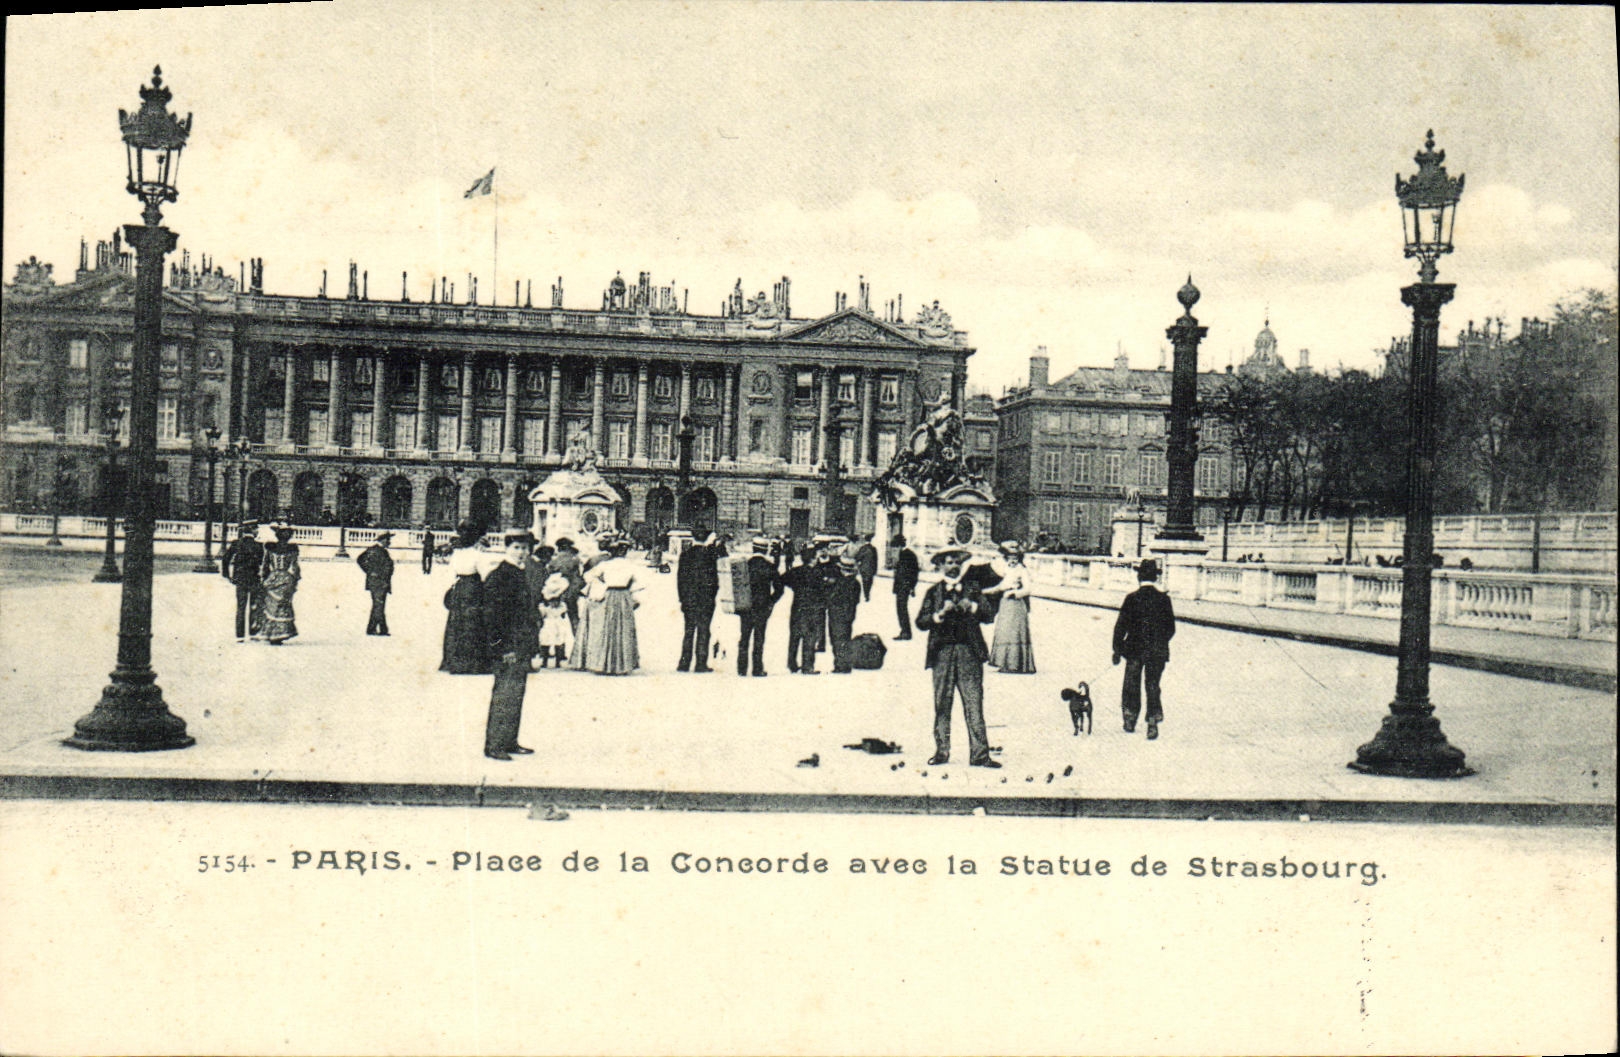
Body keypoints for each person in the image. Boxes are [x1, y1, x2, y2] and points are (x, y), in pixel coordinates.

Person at [915, 548, 998, 768]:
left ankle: (980, 755)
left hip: (968, 652)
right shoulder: (934, 592)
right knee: (942, 704)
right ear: (940, 566)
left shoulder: (972, 589)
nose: (953, 566)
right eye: (949, 562)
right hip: (942, 653)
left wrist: (973, 606)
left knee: (974, 704)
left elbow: (989, 615)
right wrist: (938, 615)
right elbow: (920, 622)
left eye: (957, 563)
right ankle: (942, 752)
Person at [481, 530, 537, 761]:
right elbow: (494, 617)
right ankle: (495, 745)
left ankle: (509, 740)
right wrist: (504, 648)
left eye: (525, 548)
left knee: (515, 693)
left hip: (520, 644)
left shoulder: (519, 573)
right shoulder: (501, 575)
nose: (522, 552)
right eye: (517, 548)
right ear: (507, 548)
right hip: (508, 646)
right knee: (505, 694)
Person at [1111, 558, 1176, 740]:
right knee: (1153, 685)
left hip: (1134, 650)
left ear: (1139, 577)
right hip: (1157, 652)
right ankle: (1153, 721)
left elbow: (1120, 627)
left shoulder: (1131, 598)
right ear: (1155, 577)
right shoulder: (1164, 599)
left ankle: (1130, 719)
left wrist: (1117, 649)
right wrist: (1160, 642)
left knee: (1131, 684)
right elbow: (1171, 628)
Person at [584, 534, 641, 675]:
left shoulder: (605, 565)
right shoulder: (631, 565)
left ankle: (605, 663)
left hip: (609, 594)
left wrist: (603, 581)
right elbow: (642, 583)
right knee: (624, 628)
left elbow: (588, 576)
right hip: (624, 595)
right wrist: (630, 588)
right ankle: (623, 664)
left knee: (607, 628)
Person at [440, 520, 492, 674]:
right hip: (474, 588)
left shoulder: (457, 553)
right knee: (473, 624)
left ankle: (453, 661)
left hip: (459, 588)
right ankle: (472, 663)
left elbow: (451, 573)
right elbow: (486, 576)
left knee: (456, 624)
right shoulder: (478, 555)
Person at [735, 536, 785, 677]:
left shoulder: (745, 565)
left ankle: (741, 668)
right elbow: (779, 589)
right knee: (759, 638)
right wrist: (770, 601)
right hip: (762, 607)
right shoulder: (769, 566)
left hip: (746, 606)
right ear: (765, 550)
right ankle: (757, 668)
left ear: (753, 548)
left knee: (744, 637)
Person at [984, 540, 1035, 673]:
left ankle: (1015, 664)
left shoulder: (1022, 570)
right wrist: (984, 591)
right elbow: (1000, 587)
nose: (1012, 560)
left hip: (1016, 605)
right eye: (1010, 558)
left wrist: (1015, 593)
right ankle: (1003, 663)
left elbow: (1028, 588)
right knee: (1003, 631)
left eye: (1015, 558)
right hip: (1005, 604)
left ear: (1019, 558)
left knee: (1014, 633)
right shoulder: (1007, 570)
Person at [676, 531, 724, 673]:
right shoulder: (710, 555)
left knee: (689, 630)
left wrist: (683, 598)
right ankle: (700, 663)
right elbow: (715, 580)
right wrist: (712, 595)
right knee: (704, 630)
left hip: (689, 599)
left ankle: (684, 663)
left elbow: (680, 580)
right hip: (706, 599)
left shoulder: (685, 555)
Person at [783, 544, 828, 674]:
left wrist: (794, 587)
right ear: (813, 559)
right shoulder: (818, 573)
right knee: (810, 636)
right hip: (813, 608)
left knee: (795, 636)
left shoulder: (796, 571)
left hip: (797, 606)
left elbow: (782, 579)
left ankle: (792, 663)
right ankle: (807, 666)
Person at [219, 519, 265, 642]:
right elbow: (262, 563)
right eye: (256, 529)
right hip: (254, 578)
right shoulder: (259, 546)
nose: (257, 532)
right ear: (252, 530)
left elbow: (225, 560)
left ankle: (239, 636)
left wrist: (227, 575)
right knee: (254, 606)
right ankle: (253, 633)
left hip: (240, 579)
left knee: (241, 606)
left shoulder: (236, 544)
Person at [259, 522, 302, 645]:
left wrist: (264, 578)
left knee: (271, 606)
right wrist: (295, 580)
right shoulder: (292, 550)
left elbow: (265, 565)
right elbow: (295, 567)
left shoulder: (270, 548)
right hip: (286, 578)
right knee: (283, 605)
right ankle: (281, 633)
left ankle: (271, 632)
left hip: (273, 578)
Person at [826, 552, 864, 673]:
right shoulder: (853, 582)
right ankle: (841, 663)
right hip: (845, 615)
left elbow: (837, 598)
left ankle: (841, 665)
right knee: (842, 639)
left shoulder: (844, 583)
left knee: (838, 640)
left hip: (839, 615)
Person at [357, 531, 395, 636]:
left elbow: (361, 560)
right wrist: (371, 572)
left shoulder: (377, 550)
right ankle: (380, 629)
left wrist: (370, 572)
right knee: (379, 605)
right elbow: (360, 560)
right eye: (388, 540)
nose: (389, 542)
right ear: (383, 540)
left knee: (378, 605)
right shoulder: (377, 550)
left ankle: (374, 628)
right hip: (379, 582)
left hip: (379, 582)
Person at [545, 537, 585, 631]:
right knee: (574, 616)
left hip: (557, 593)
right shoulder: (576, 560)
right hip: (572, 592)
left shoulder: (554, 561)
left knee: (557, 618)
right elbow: (580, 577)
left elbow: (548, 576)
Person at [536, 573, 574, 668]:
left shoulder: (562, 607)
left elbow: (564, 613)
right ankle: (544, 660)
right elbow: (542, 614)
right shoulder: (545, 608)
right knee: (545, 641)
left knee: (559, 641)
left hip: (558, 624)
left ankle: (558, 659)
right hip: (548, 624)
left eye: (556, 601)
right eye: (552, 601)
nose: (554, 603)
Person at [892, 535, 919, 640]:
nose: (895, 549)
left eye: (896, 546)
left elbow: (913, 572)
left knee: (902, 609)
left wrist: (911, 586)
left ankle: (906, 632)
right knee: (901, 609)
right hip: (902, 586)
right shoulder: (904, 554)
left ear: (899, 545)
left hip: (904, 586)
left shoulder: (908, 555)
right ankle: (904, 631)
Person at [853, 533, 879, 603]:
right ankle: (867, 594)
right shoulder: (874, 549)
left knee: (865, 582)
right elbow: (876, 560)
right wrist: (875, 569)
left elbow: (858, 557)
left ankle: (866, 594)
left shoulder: (863, 548)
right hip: (871, 568)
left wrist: (859, 564)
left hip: (864, 568)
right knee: (870, 582)